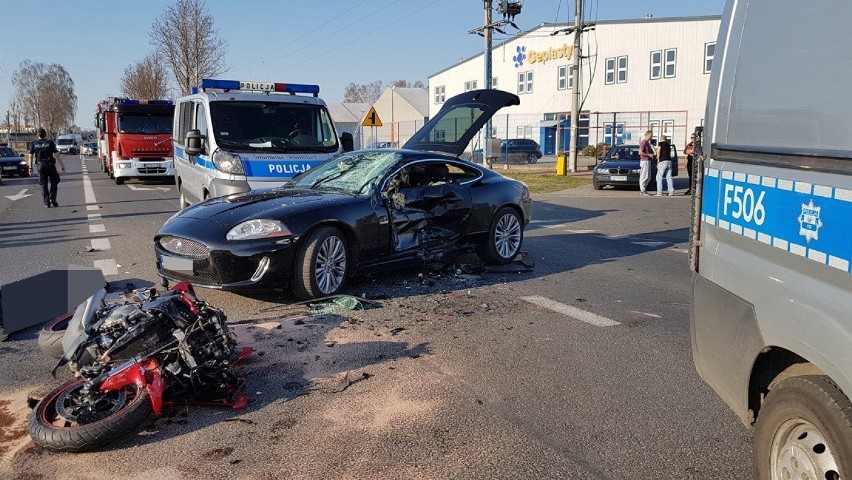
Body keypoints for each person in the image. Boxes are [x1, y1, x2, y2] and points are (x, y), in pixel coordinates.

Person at [29, 128, 65, 208]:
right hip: (50, 165)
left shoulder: (34, 144)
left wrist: (30, 168)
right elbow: (57, 155)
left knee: (43, 185)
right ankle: (53, 198)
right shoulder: (50, 143)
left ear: (37, 135)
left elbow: (30, 156)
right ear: (45, 135)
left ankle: (46, 202)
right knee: (54, 182)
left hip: (40, 166)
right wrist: (62, 165)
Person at [638, 130, 655, 196]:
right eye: (650, 136)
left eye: (651, 136)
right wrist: (649, 155)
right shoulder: (643, 143)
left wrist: (652, 154)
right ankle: (642, 190)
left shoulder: (648, 143)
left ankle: (644, 189)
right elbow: (640, 152)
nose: (651, 137)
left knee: (648, 177)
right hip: (644, 161)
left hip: (648, 160)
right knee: (644, 176)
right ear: (647, 135)